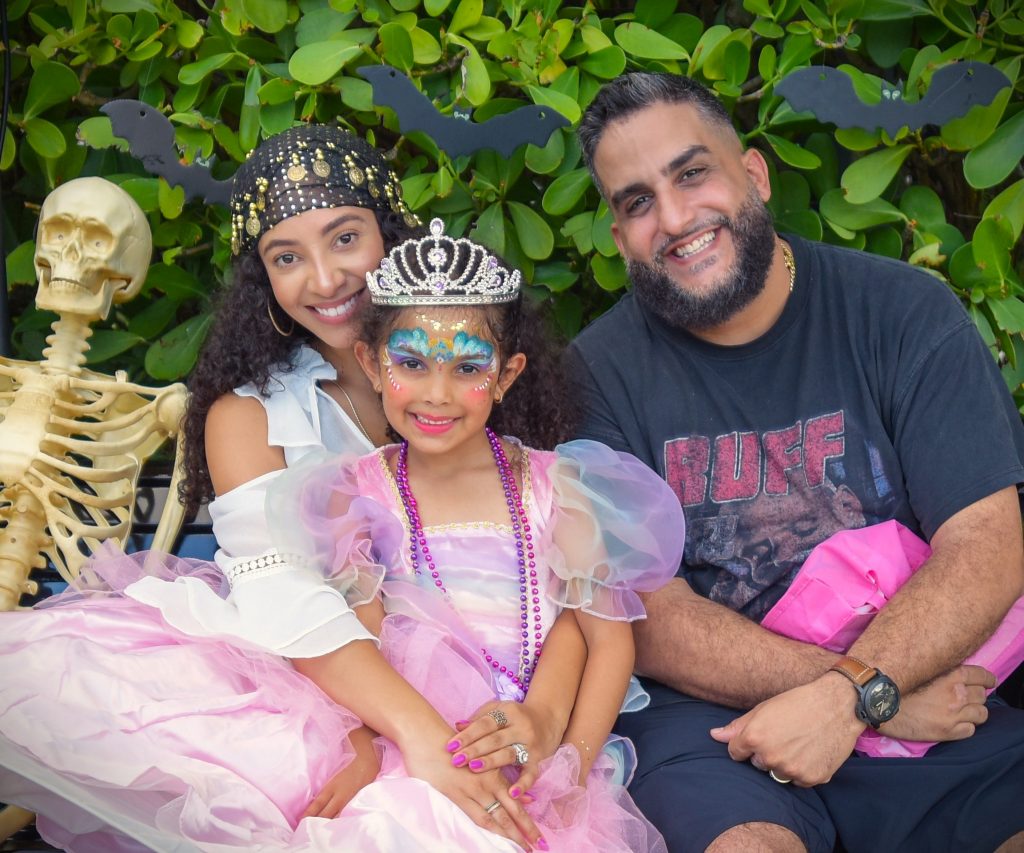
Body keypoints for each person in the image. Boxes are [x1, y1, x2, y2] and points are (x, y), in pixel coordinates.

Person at [0, 126, 559, 851]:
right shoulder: (250, 417)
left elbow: (554, 585)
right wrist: (399, 733)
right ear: (263, 279)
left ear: (392, 234)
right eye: (286, 257)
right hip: (301, 686)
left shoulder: (472, 383)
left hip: (489, 694)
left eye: (345, 239)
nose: (324, 280)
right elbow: (285, 600)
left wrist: (539, 721)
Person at [569, 71, 1024, 853]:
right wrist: (865, 694)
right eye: (638, 202)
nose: (673, 218)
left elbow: (986, 543)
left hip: (933, 690)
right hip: (717, 727)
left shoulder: (902, 313)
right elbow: (650, 616)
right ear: (618, 238)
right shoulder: (596, 375)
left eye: (692, 173)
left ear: (754, 173)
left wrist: (855, 695)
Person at [257, 216, 682, 850]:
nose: (437, 394)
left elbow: (610, 643)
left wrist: (569, 774)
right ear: (371, 363)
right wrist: (365, 745)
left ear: (506, 376)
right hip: (418, 752)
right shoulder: (357, 496)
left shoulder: (556, 490)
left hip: (538, 758)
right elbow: (360, 641)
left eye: (467, 368)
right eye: (411, 363)